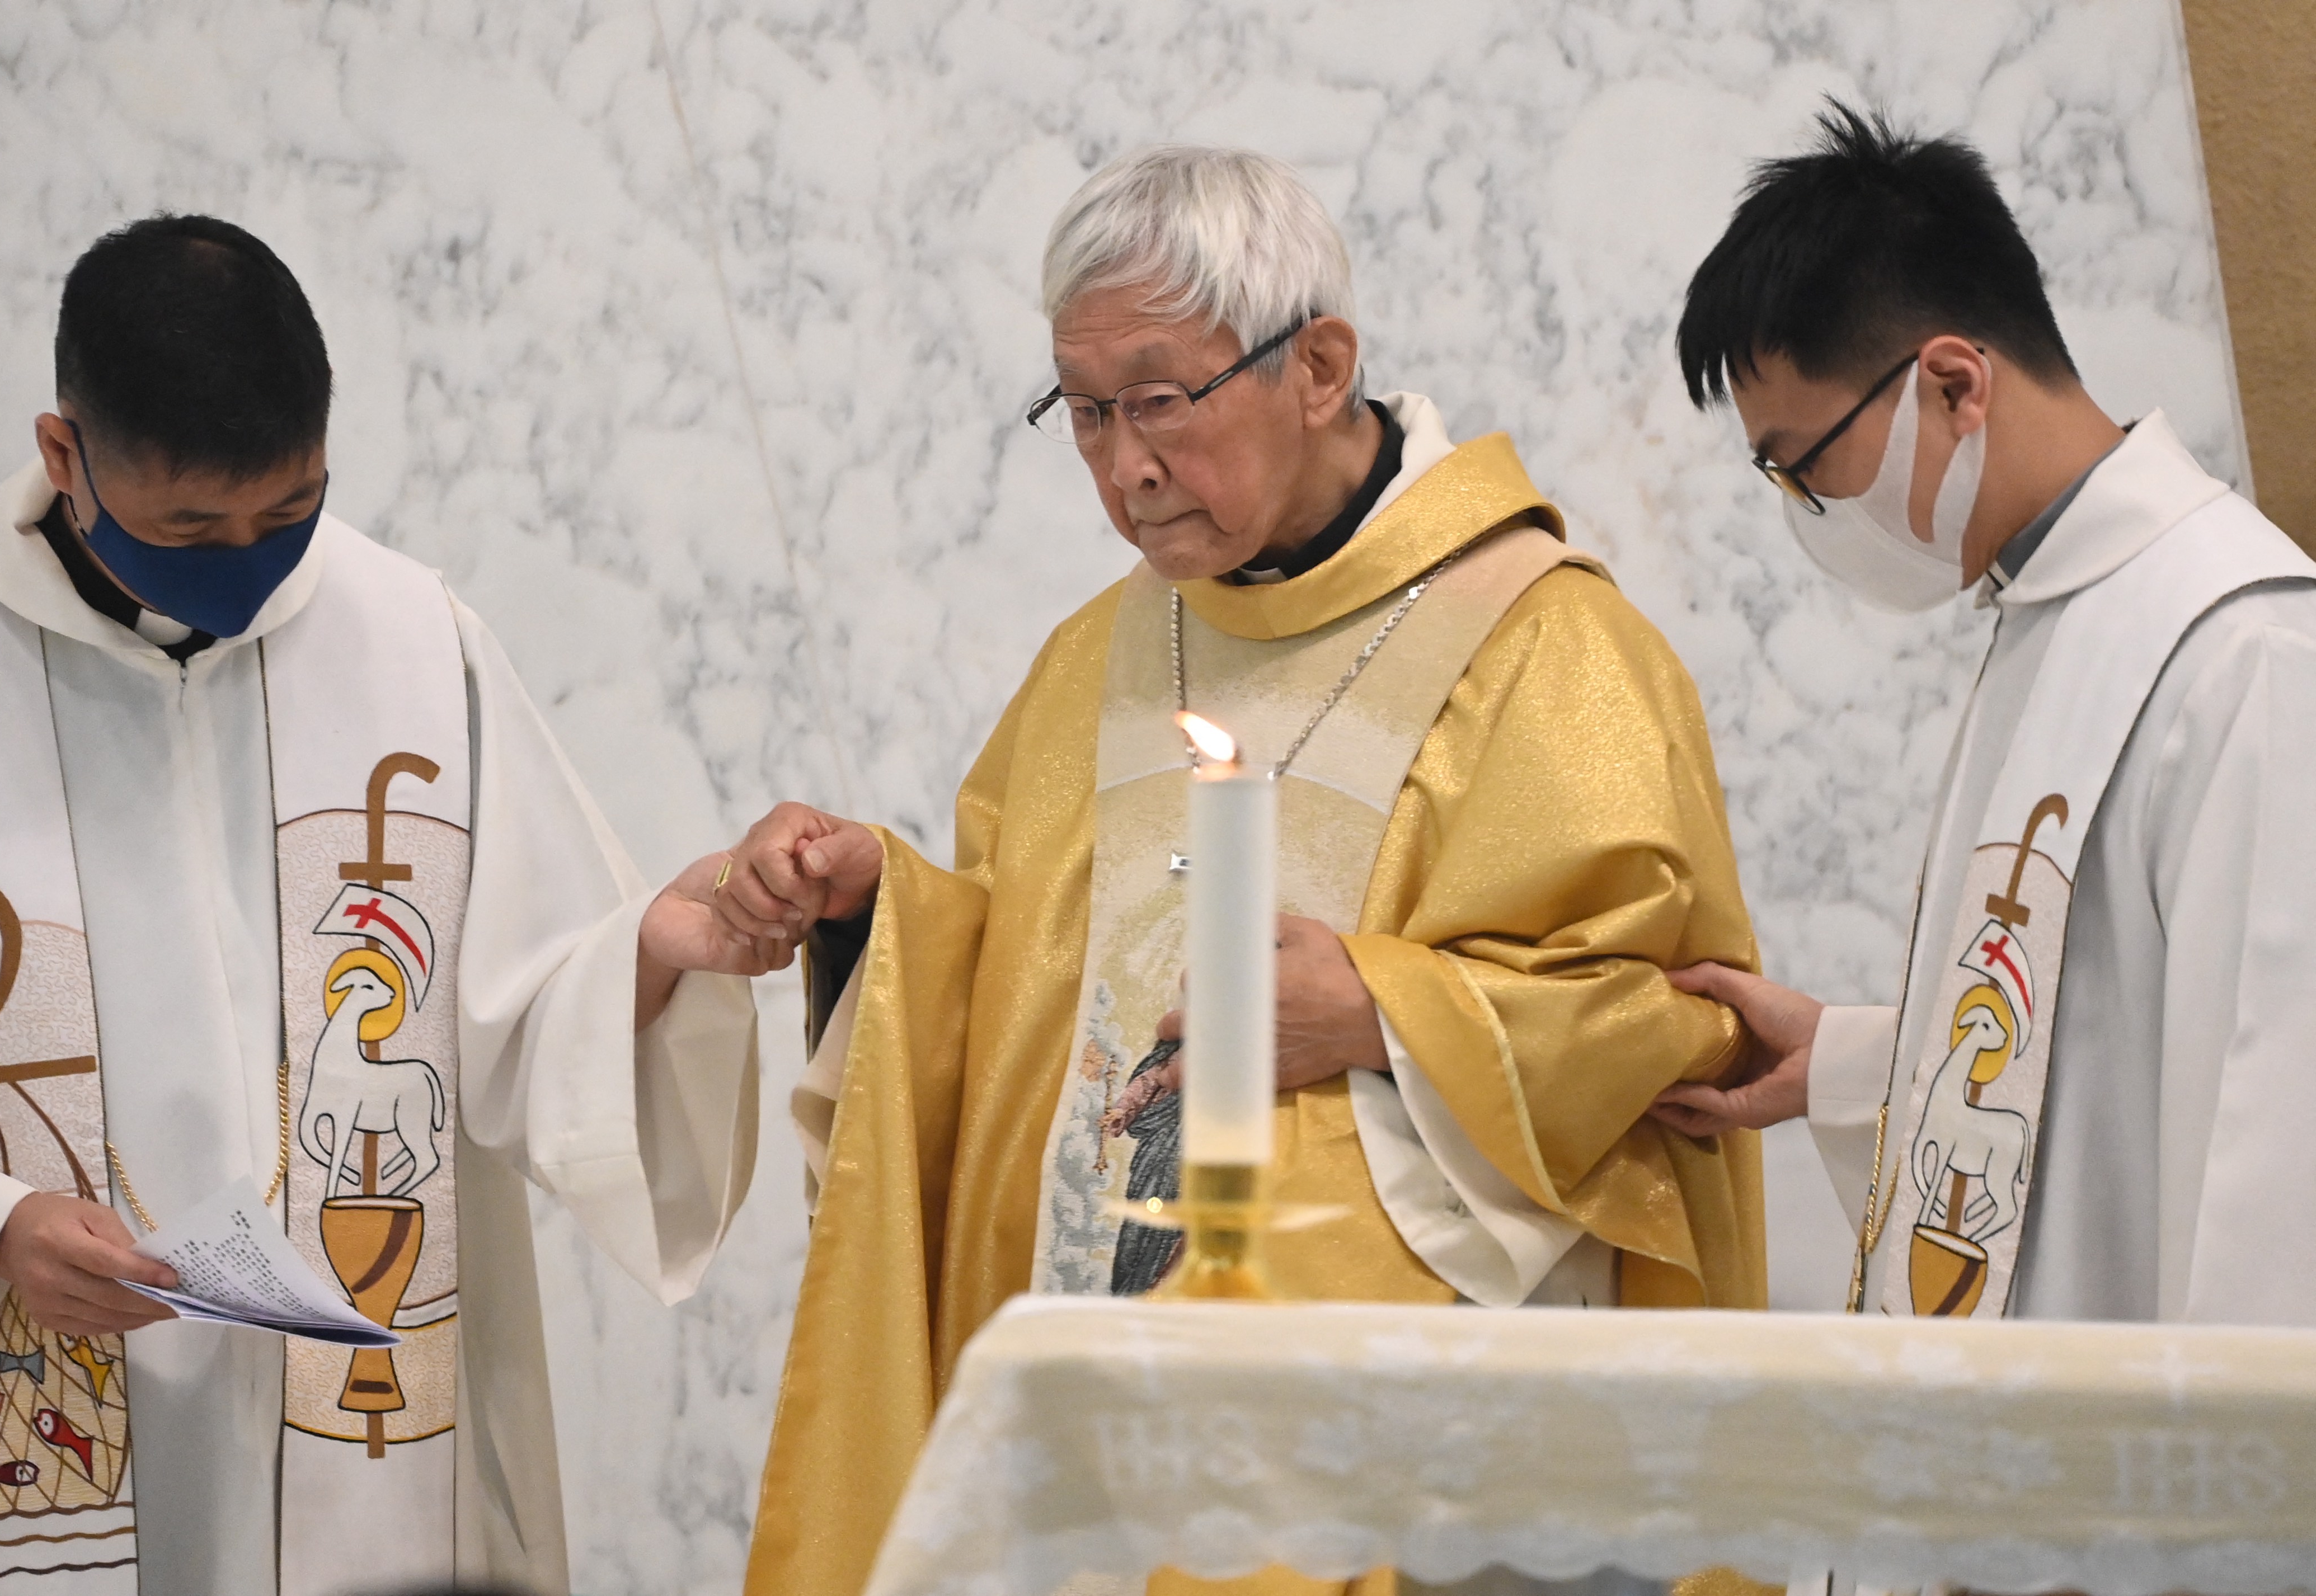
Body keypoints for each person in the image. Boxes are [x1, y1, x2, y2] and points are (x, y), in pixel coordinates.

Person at [721, 146, 1765, 1596]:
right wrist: (872, 914)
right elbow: (1022, 993)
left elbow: (1679, 1026)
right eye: (1085, 413)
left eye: (1160, 400)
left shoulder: (1546, 645)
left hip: (1410, 1467)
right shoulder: (1100, 655)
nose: (1125, 464)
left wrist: (1389, 1012)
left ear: (1321, 363)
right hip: (1101, 1423)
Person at [0, 215, 764, 1596]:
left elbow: (523, 1014)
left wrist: (654, 955)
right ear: (66, 455)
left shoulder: (412, 639)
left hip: (360, 1449)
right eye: (194, 528)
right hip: (40, 1408)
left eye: (290, 509)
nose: (250, 565)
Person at [1654, 104, 2316, 1330]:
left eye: (1804, 466)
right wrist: (1851, 1062)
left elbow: (2275, 1149)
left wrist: (2237, 1506)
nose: (1804, 513)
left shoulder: (2247, 651)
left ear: (1954, 381)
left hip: (2163, 1484)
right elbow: (2099, 1038)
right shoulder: (2051, 611)